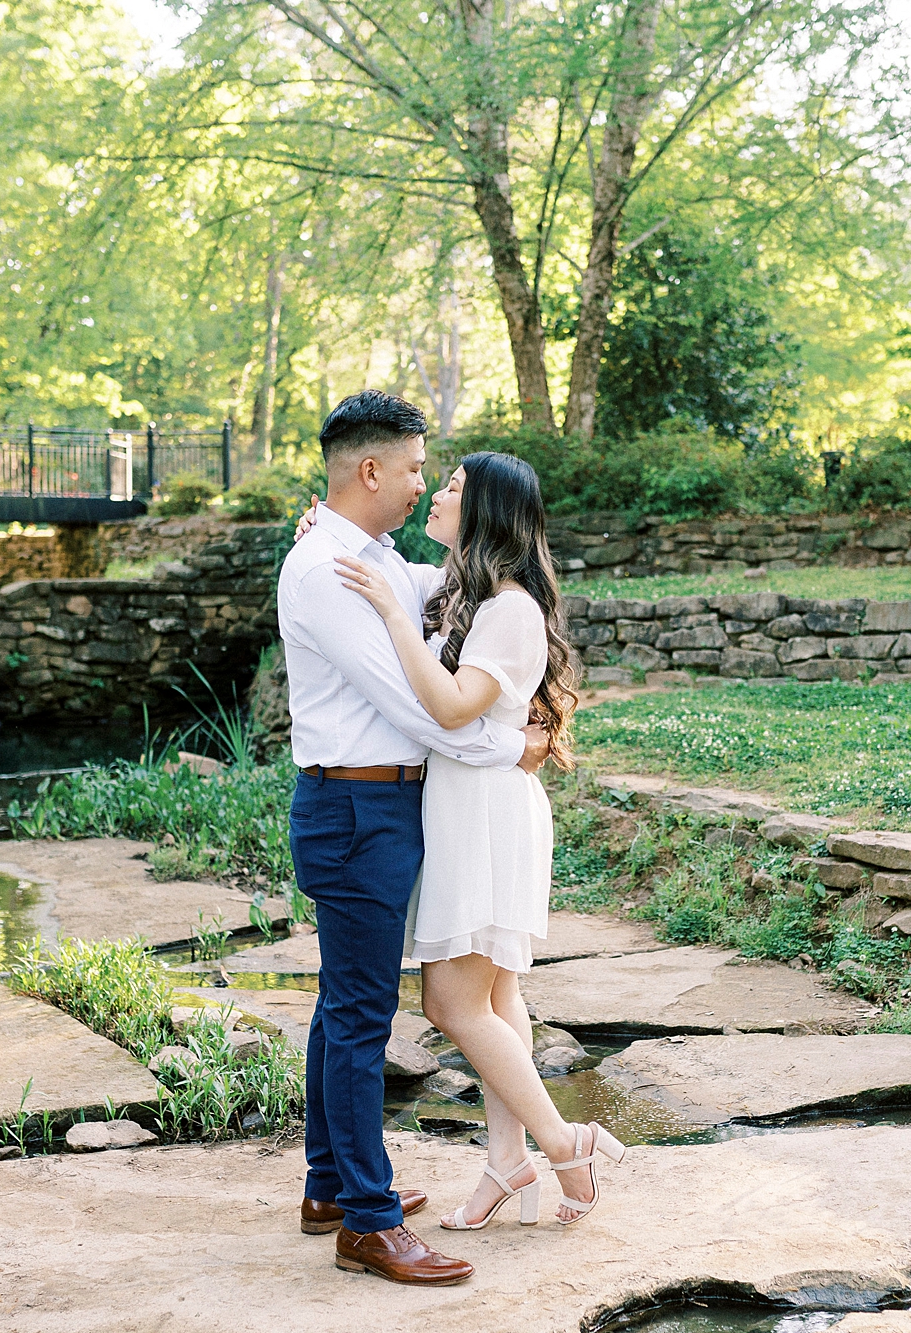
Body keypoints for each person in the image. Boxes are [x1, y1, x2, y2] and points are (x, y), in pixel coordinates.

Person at [277, 391, 549, 1287]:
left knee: (340, 1003)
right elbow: (420, 709)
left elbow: (473, 589)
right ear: (371, 471)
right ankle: (368, 1217)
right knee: (360, 1016)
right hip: (358, 811)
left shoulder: (377, 557)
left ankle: (328, 1186)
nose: (424, 483)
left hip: (379, 809)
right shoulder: (328, 570)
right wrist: (516, 747)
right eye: (416, 469)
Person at [331, 449, 627, 1232]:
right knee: (497, 996)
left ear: (487, 509)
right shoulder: (474, 594)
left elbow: (456, 707)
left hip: (486, 814)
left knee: (450, 1001)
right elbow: (406, 577)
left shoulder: (509, 610)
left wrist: (396, 624)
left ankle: (566, 1143)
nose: (435, 491)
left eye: (454, 486)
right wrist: (328, 528)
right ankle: (506, 1160)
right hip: (479, 803)